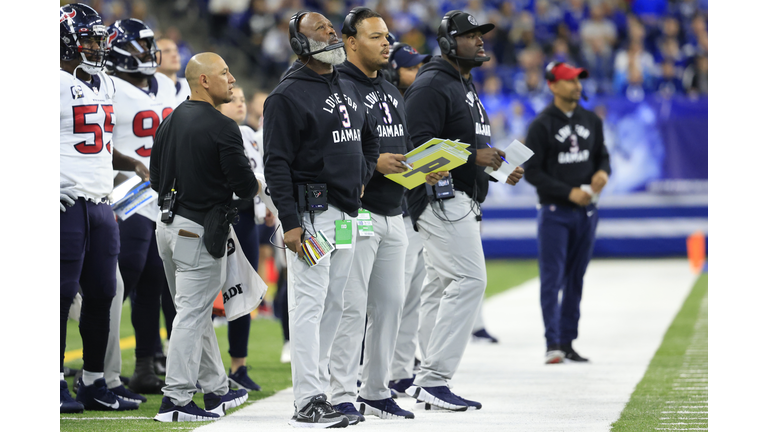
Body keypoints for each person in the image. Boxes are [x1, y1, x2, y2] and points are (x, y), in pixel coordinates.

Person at [401, 10, 524, 411]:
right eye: (471, 35)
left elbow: (464, 150)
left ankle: (424, 376)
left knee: (437, 290)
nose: (481, 40)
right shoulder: (432, 84)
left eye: (482, 34)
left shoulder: (463, 85)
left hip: (461, 198)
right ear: (450, 42)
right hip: (439, 199)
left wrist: (498, 168)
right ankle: (433, 378)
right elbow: (413, 151)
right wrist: (476, 156)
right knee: (470, 281)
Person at [329, 8, 447, 423]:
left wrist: (423, 166)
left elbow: (399, 148)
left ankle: (376, 390)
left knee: (392, 304)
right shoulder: (338, 86)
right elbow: (335, 150)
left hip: (392, 211)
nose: (387, 43)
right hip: (353, 211)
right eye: (376, 36)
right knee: (350, 305)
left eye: (387, 36)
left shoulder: (392, 92)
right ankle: (340, 392)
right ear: (350, 41)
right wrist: (375, 163)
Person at [262, 10, 379, 429]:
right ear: (300, 43)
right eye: (320, 29)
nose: (331, 32)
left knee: (336, 302)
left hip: (347, 211)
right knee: (308, 307)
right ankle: (307, 399)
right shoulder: (286, 95)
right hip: (311, 214)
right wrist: (289, 222)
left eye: (331, 27)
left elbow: (368, 140)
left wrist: (361, 176)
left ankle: (322, 391)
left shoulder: (344, 82)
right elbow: (274, 164)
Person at [150, 52, 259, 421]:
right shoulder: (222, 126)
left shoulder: (170, 119)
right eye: (224, 73)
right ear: (204, 82)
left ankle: (215, 389)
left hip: (166, 227)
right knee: (192, 315)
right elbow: (245, 186)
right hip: (198, 231)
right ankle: (176, 401)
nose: (231, 79)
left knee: (192, 313)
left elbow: (154, 178)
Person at [59, 3, 146, 413]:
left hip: (100, 202)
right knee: (57, 296)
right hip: (65, 202)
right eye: (90, 38)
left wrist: (131, 163)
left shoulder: (103, 84)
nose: (97, 46)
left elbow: (96, 147)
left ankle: (93, 380)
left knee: (103, 293)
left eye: (98, 38)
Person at [105, 17, 177, 396]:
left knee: (153, 282)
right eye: (138, 46)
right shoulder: (109, 86)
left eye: (149, 45)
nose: (147, 53)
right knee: (120, 281)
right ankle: (101, 370)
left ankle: (145, 366)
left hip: (164, 195)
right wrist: (130, 169)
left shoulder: (165, 83)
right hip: (125, 194)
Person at [522, 61, 611, 365]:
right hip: (555, 211)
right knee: (552, 278)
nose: (577, 86)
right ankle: (553, 343)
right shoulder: (541, 124)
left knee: (576, 278)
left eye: (579, 80)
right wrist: (567, 191)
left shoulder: (591, 120)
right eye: (570, 80)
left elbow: (603, 156)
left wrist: (603, 173)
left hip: (587, 212)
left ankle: (568, 341)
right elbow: (531, 171)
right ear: (553, 85)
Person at [380, 42, 431, 399]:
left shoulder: (405, 102)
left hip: (413, 212)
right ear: (394, 69)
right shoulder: (380, 101)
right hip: (386, 212)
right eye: (411, 67)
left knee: (410, 299)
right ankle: (373, 372)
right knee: (386, 300)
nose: (418, 73)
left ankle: (399, 371)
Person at [217, 85, 265, 392]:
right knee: (203, 293)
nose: (240, 104)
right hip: (218, 214)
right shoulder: (214, 131)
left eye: (243, 99)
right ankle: (195, 364)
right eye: (233, 99)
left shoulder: (249, 134)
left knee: (244, 291)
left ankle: (239, 365)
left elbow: (260, 174)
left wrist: (265, 207)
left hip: (247, 216)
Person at [156, 37, 191, 106]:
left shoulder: (192, 87)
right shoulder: (147, 91)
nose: (174, 55)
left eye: (176, 51)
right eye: (166, 51)